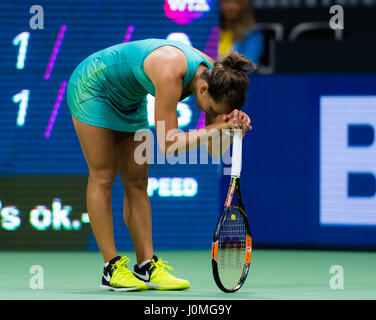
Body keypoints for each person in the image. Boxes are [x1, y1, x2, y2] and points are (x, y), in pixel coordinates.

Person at [66, 38, 254, 291]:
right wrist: (219, 126)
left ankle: (145, 267)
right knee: (103, 175)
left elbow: (213, 149)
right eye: (213, 109)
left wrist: (229, 129)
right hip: (93, 86)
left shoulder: (215, 81)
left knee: (137, 181)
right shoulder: (170, 73)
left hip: (129, 98)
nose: (213, 112)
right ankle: (110, 268)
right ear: (203, 90)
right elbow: (168, 145)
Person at [220, 0, 264, 64]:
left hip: (236, 73)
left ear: (244, 6)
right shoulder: (207, 31)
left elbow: (250, 63)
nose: (231, 7)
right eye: (226, 2)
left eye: (236, 2)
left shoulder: (252, 33)